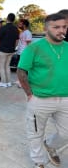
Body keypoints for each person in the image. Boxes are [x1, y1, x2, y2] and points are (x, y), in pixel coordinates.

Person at [17, 13, 68, 168]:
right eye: (56, 27)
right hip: (40, 99)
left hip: (65, 99)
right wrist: (29, 94)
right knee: (35, 133)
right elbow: (21, 72)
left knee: (66, 133)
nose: (62, 30)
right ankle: (38, 161)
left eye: (64, 26)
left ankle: (51, 145)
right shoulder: (34, 48)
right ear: (46, 29)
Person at [0, 13, 19, 87]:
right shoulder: (15, 28)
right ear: (13, 20)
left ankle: (3, 82)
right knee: (7, 66)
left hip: (3, 50)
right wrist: (13, 48)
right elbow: (17, 40)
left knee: (1, 66)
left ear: (7, 18)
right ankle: (8, 82)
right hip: (11, 50)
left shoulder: (3, 28)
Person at [15, 19, 32, 87]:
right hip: (19, 52)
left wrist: (28, 54)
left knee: (23, 69)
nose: (18, 25)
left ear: (24, 25)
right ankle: (21, 81)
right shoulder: (22, 32)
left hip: (24, 53)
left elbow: (29, 44)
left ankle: (24, 83)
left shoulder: (28, 33)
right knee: (20, 68)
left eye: (20, 24)